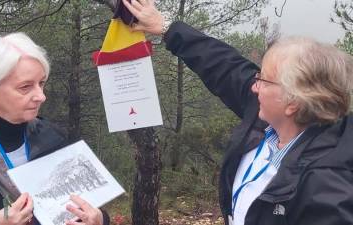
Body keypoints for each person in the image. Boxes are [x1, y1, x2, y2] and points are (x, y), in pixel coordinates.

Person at [122, 0, 353, 224]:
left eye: (263, 79)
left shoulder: (325, 189)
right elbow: (225, 66)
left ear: (292, 102)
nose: (254, 86)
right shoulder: (271, 118)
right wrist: (165, 27)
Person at [0, 33, 109, 225]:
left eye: (41, 83)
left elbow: (87, 205)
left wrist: (99, 219)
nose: (41, 96)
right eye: (25, 87)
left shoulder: (53, 138)